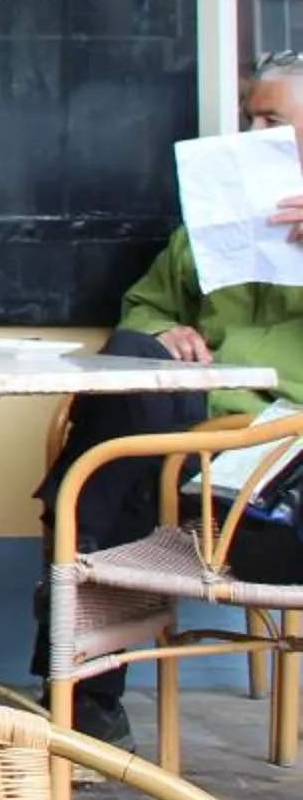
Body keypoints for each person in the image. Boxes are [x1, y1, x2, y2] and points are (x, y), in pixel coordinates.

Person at [31, 55, 303, 745]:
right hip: (191, 423)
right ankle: (83, 556)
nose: (251, 131)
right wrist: (167, 330)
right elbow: (144, 305)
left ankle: (76, 584)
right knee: (132, 354)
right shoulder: (216, 223)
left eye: (270, 121)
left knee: (111, 477)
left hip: (279, 444)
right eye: (249, 117)